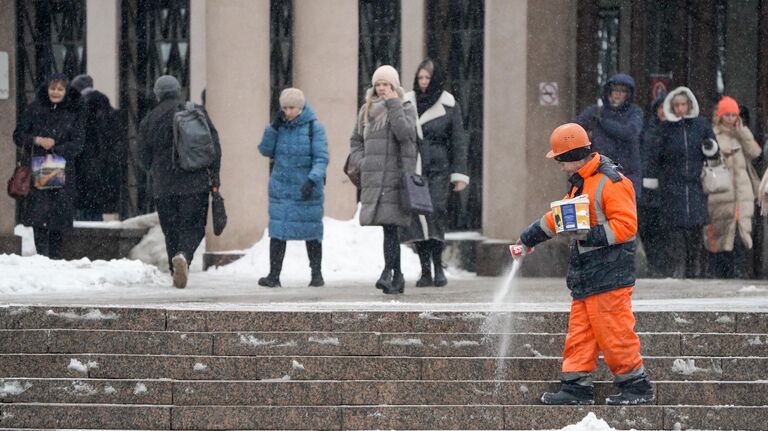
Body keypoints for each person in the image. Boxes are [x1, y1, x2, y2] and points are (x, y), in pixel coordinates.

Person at [512, 123, 654, 406]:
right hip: (586, 277)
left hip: (610, 275)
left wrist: (589, 235)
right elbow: (558, 219)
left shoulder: (610, 182)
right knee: (580, 335)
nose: (560, 167)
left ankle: (636, 387)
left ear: (574, 155)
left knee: (615, 333)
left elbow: (627, 226)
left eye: (561, 160)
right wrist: (528, 238)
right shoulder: (582, 182)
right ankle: (575, 387)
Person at [138, 75, 222, 288]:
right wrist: (214, 178)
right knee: (194, 226)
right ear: (178, 91)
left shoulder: (150, 118)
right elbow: (214, 147)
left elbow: (142, 156)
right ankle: (184, 256)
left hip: (164, 186)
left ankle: (175, 267)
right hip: (196, 182)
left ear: (157, 94)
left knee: (171, 229)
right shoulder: (196, 112)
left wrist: (156, 170)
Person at [348, 65, 418, 294]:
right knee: (388, 229)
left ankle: (388, 272)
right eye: (378, 84)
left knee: (391, 227)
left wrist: (393, 104)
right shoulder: (366, 109)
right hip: (374, 177)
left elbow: (405, 134)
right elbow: (356, 140)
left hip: (395, 178)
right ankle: (396, 276)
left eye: (386, 85)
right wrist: (362, 161)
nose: (381, 89)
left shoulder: (405, 107)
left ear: (394, 86)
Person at [401, 59, 469, 287]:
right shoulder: (407, 102)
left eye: (427, 78)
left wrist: (459, 173)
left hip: (440, 168)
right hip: (416, 167)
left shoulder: (449, 104)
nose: (423, 82)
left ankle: (438, 267)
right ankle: (424, 270)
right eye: (420, 78)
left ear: (435, 79)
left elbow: (459, 141)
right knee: (418, 217)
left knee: (436, 213)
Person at [257, 88, 329, 287]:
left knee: (311, 231)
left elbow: (321, 158)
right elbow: (265, 149)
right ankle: (274, 275)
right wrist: (272, 127)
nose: (287, 112)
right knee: (278, 231)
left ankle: (316, 274)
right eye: (284, 108)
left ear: (301, 107)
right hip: (281, 187)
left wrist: (312, 180)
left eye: (291, 108)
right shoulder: (279, 127)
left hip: (306, 188)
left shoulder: (315, 128)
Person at [644, 87, 718, 278]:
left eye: (683, 104)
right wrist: (652, 179)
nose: (680, 109)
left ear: (689, 105)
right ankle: (679, 268)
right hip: (671, 186)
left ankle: (695, 269)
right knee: (674, 231)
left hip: (694, 184)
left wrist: (710, 147)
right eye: (676, 105)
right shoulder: (666, 128)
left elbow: (713, 151)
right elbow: (655, 157)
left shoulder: (701, 125)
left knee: (695, 229)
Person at [13, 73, 84, 259]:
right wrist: (37, 140)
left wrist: (56, 147)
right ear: (46, 89)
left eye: (60, 89)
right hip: (39, 166)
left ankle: (56, 256)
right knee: (40, 215)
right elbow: (18, 135)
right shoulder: (34, 109)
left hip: (62, 167)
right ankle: (41, 256)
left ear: (66, 91)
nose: (55, 92)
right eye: (52, 88)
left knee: (58, 216)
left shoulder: (73, 112)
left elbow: (78, 143)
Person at [705, 96, 762, 278]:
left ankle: (740, 271)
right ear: (720, 116)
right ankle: (724, 272)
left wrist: (743, 133)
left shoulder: (742, 134)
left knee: (743, 232)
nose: (730, 119)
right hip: (722, 191)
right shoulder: (714, 134)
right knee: (723, 232)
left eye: (733, 115)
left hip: (743, 192)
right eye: (727, 115)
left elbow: (755, 153)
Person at [574, 73, 644, 199]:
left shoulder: (635, 112)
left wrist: (603, 122)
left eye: (623, 91)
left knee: (621, 214)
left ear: (628, 94)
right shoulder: (596, 111)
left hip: (626, 173)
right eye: (615, 90)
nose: (618, 94)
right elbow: (574, 127)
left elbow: (628, 132)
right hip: (599, 172)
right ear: (608, 92)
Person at [70, 74, 125, 221]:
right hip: (103, 172)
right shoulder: (110, 111)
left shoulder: (77, 111)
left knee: (81, 215)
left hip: (82, 170)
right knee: (95, 213)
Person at [638, 91, 667, 276]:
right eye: (660, 107)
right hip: (647, 186)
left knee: (665, 231)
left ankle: (663, 266)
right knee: (648, 229)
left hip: (668, 187)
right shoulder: (647, 129)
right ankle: (653, 265)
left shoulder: (675, 129)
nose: (663, 111)